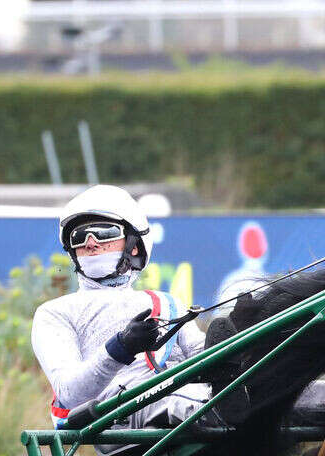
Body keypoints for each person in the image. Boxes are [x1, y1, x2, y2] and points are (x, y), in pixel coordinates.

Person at [32, 185, 208, 434]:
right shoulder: (53, 313)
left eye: (104, 232)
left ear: (134, 246)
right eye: (79, 237)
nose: (90, 244)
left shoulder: (166, 301)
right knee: (190, 399)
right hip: (115, 414)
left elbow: (203, 355)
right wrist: (120, 347)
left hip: (181, 397)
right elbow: (70, 394)